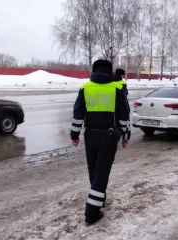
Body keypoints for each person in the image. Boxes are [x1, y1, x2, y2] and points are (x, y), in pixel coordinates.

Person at [70, 59, 131, 224]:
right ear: (109, 71)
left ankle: (99, 200)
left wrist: (74, 135)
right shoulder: (117, 88)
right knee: (102, 173)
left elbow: (78, 114)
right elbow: (124, 116)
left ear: (94, 70)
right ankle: (91, 213)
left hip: (90, 135)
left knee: (94, 170)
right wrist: (126, 136)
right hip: (109, 136)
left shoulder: (85, 88)